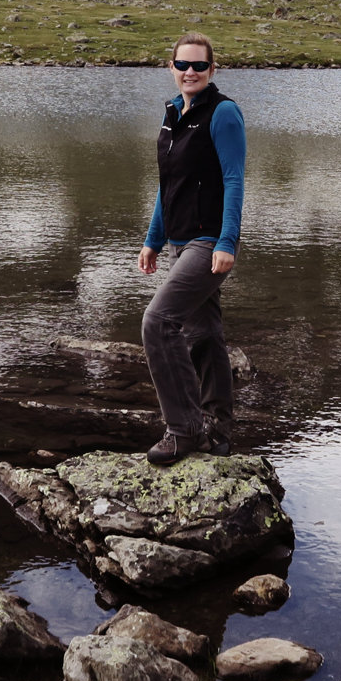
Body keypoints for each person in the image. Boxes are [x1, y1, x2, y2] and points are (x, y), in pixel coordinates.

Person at [136, 32, 246, 466]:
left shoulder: (223, 113)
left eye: (199, 66)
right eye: (183, 65)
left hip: (209, 242)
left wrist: (227, 241)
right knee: (203, 334)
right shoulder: (171, 115)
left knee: (158, 322)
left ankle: (183, 429)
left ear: (212, 70)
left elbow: (235, 180)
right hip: (180, 241)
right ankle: (218, 427)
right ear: (172, 67)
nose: (190, 73)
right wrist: (153, 239)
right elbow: (169, 187)